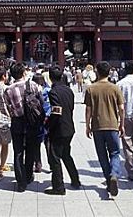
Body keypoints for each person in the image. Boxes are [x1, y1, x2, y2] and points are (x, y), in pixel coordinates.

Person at [84, 61, 124, 197]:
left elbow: (88, 109)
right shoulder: (115, 88)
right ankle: (114, 174)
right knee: (115, 153)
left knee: (102, 156)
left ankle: (109, 180)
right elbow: (122, 109)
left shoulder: (91, 89)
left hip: (97, 126)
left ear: (97, 72)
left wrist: (87, 125)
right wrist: (122, 124)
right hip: (112, 125)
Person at [3, 62, 43, 192]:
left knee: (18, 152)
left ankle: (21, 182)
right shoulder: (33, 85)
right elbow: (40, 102)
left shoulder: (8, 90)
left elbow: (8, 107)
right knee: (31, 149)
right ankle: (28, 175)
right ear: (24, 72)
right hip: (32, 121)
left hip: (17, 122)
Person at [44, 66, 80, 195]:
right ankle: (75, 179)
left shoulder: (53, 92)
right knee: (66, 154)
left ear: (50, 77)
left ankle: (59, 187)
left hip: (58, 129)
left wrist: (48, 125)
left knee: (54, 157)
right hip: (69, 126)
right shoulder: (68, 90)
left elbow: (56, 111)